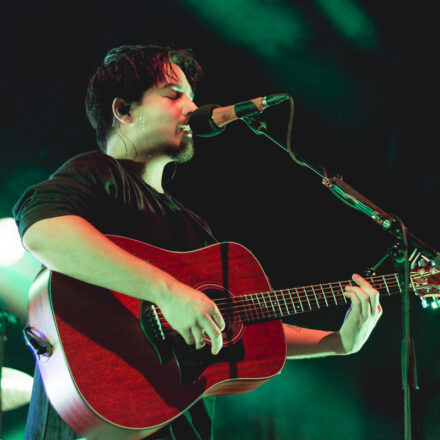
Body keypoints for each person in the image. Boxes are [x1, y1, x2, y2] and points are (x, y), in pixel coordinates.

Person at [13, 44, 382, 440]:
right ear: (124, 111)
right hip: (89, 422)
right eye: (173, 96)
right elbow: (43, 231)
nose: (191, 107)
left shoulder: (191, 226)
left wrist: (337, 342)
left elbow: (237, 319)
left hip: (176, 424)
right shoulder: (97, 173)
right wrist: (168, 292)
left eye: (192, 97)